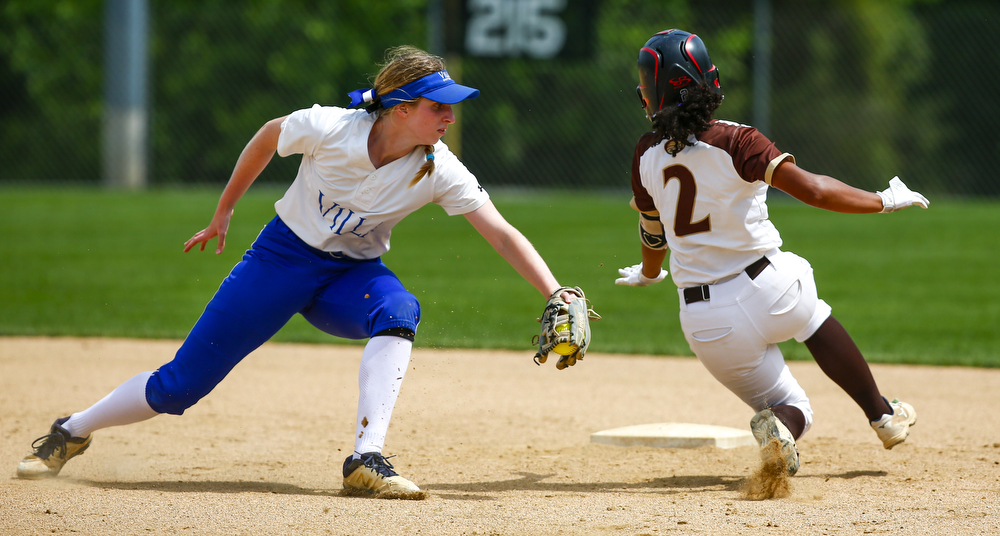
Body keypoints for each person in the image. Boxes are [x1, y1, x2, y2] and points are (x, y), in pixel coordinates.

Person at [17, 45, 584, 495]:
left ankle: (366, 458)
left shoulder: (438, 169)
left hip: (351, 275)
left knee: (399, 310)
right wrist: (224, 211)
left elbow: (502, 232)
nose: (450, 116)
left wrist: (555, 289)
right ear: (402, 108)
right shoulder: (333, 128)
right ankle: (71, 432)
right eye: (439, 106)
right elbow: (269, 134)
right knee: (178, 387)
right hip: (281, 258)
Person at [614, 30, 926, 475]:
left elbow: (652, 232)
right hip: (770, 286)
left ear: (657, 92)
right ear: (704, 82)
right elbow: (815, 191)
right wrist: (884, 199)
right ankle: (882, 415)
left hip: (707, 322)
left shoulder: (645, 154)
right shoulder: (738, 141)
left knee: (792, 405)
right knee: (813, 315)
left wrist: (649, 273)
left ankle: (781, 428)